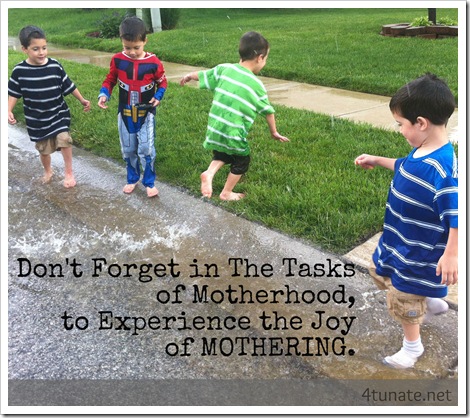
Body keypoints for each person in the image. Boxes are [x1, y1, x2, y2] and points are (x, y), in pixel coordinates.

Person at [355, 73, 458, 369]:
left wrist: (451, 254)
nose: (400, 130)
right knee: (379, 270)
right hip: (400, 239)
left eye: (401, 124)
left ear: (421, 123)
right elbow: (404, 166)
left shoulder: (442, 170)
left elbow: (457, 215)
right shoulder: (424, 149)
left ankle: (412, 348)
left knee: (402, 297)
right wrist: (377, 159)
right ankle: (429, 299)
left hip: (420, 253)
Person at [180, 31, 289, 201]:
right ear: (259, 58)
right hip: (233, 132)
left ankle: (209, 174)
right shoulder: (256, 85)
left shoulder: (225, 69)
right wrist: (274, 132)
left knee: (222, 154)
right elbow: (268, 111)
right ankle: (226, 193)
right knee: (241, 160)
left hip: (216, 127)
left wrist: (189, 76)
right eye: (265, 59)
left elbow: (203, 75)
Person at [8, 25, 90, 188]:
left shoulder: (54, 66)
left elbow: (69, 85)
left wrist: (82, 100)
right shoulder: (19, 71)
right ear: (24, 49)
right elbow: (14, 93)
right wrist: (8, 109)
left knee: (64, 139)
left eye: (44, 48)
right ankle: (48, 171)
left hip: (58, 113)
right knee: (43, 149)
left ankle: (69, 173)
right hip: (37, 119)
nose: (41, 52)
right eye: (36, 49)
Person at [98, 16, 167, 198]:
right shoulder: (118, 60)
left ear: (145, 41)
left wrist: (158, 96)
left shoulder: (153, 63)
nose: (132, 52)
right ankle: (132, 178)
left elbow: (163, 83)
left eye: (136, 47)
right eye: (127, 47)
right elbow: (110, 79)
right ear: (121, 41)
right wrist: (104, 93)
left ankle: (149, 182)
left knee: (146, 149)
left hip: (146, 113)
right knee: (128, 149)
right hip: (125, 112)